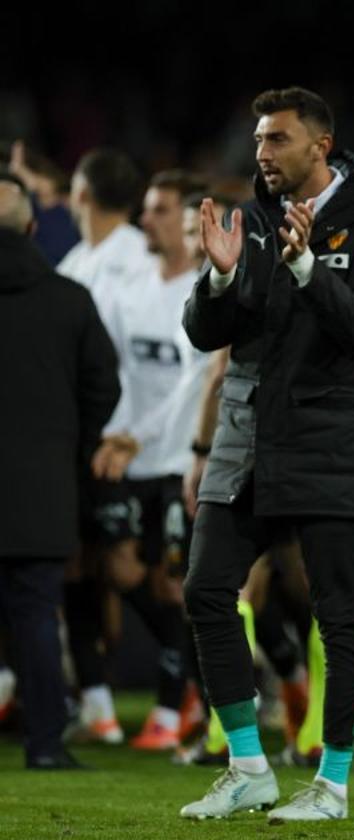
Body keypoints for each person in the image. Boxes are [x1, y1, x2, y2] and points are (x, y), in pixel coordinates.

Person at [178, 86, 354, 823]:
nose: (261, 153)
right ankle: (249, 766)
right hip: (247, 435)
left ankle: (332, 784)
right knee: (205, 589)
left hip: (331, 437)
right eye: (257, 140)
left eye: (276, 139)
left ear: (321, 144)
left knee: (336, 612)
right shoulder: (251, 218)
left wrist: (310, 269)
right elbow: (206, 333)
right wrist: (220, 278)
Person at [0, 171, 121, 768]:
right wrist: (70, 448)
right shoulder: (69, 299)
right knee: (36, 615)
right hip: (42, 489)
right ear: (30, 227)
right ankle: (45, 745)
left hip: (42, 480)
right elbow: (105, 386)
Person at [95, 170, 208, 752]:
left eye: (160, 210)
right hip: (127, 455)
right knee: (119, 569)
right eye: (147, 209)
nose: (146, 220)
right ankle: (185, 675)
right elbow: (111, 367)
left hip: (174, 458)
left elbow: (191, 383)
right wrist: (113, 434)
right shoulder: (131, 289)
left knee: (172, 587)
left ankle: (171, 707)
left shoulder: (202, 294)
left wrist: (135, 436)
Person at [56, 147, 154, 745]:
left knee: (129, 571)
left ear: (82, 194)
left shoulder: (139, 261)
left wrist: (132, 434)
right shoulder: (77, 260)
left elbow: (142, 362)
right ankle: (96, 703)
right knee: (79, 565)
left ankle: (191, 683)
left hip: (129, 444)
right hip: (83, 441)